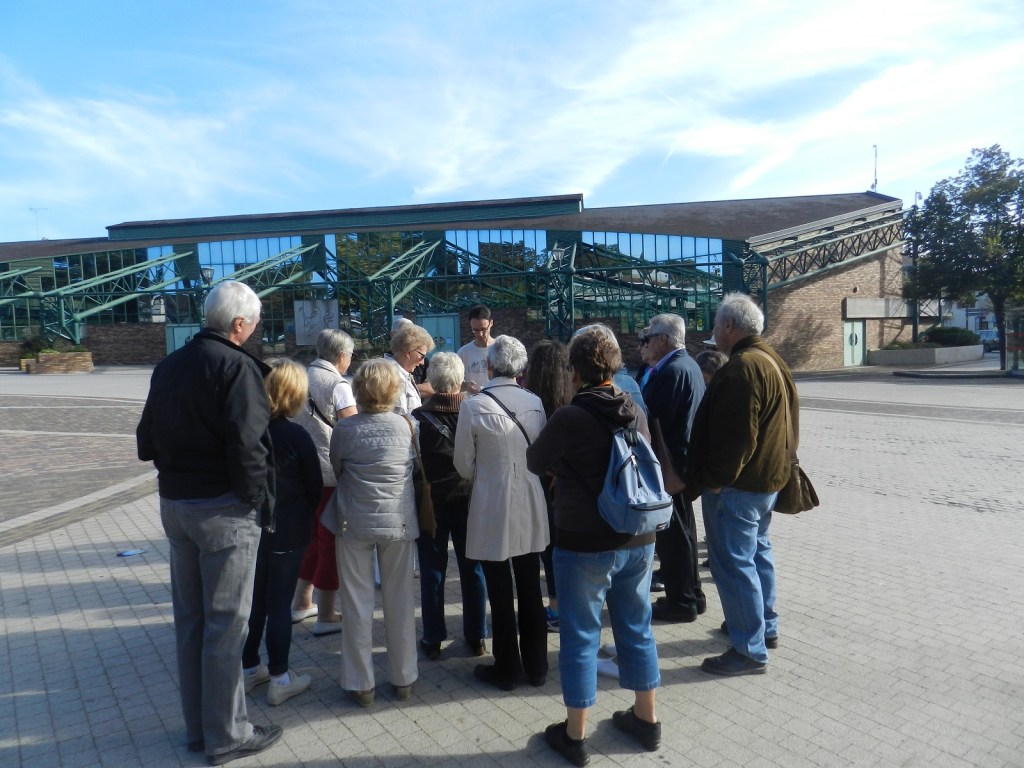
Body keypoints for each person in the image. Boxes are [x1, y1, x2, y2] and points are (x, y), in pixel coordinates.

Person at [136, 280, 282, 765]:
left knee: (193, 621)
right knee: (226, 625)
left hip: (176, 504)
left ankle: (200, 729)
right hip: (224, 509)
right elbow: (250, 449)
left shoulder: (169, 365)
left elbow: (145, 440)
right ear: (239, 325)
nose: (256, 329)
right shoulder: (237, 368)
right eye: (255, 323)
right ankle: (228, 734)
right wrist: (256, 501)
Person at [527, 325, 662, 766]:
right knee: (636, 626)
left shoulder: (569, 416)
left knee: (581, 636)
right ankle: (646, 719)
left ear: (575, 371)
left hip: (585, 541)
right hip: (638, 536)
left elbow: (534, 461)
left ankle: (575, 734)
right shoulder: (634, 409)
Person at [686, 292, 797, 676]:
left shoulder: (742, 368)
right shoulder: (772, 360)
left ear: (730, 326)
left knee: (734, 564)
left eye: (716, 324)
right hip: (766, 481)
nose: (713, 331)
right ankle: (761, 626)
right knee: (757, 554)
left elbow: (738, 438)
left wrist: (715, 481)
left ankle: (748, 649)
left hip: (739, 487)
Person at [453, 335, 549, 691]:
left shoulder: (473, 406)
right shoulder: (535, 402)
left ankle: (506, 667)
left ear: (490, 365)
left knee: (498, 586)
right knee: (529, 584)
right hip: (529, 497)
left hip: (492, 500)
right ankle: (537, 665)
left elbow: (463, 464)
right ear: (521, 369)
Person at [323, 358, 419, 706]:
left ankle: (361, 683)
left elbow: (337, 468)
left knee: (356, 601)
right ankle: (404, 677)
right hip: (398, 519)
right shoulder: (407, 425)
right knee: (400, 600)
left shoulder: (345, 430)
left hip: (354, 521)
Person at [242, 359, 322, 706]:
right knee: (279, 605)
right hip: (287, 530)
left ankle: (248, 668)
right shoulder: (296, 435)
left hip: (253, 528)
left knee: (255, 602)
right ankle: (280, 676)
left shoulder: (250, 430)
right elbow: (315, 487)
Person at [411, 352, 488, 660]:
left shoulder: (416, 419)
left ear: (432, 381)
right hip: (470, 500)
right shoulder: (475, 413)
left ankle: (432, 638)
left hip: (430, 503)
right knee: (474, 568)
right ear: (459, 381)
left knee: (432, 570)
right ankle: (476, 635)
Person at [640, 313, 706, 622]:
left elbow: (653, 416)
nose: (647, 343)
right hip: (681, 463)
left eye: (650, 337)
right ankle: (692, 593)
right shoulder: (686, 365)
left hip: (671, 467)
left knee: (674, 537)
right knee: (684, 532)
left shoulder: (672, 371)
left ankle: (682, 602)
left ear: (664, 339)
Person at [291, 329, 356, 637]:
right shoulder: (338, 385)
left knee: (313, 537)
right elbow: (352, 427)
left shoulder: (301, 377)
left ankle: (302, 600)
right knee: (330, 541)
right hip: (330, 471)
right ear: (341, 356)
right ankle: (327, 613)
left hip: (302, 470)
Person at [524, 339, 575, 632]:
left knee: (550, 548)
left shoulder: (531, 405)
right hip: (570, 490)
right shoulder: (571, 402)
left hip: (542, 485)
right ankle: (565, 606)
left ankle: (556, 609)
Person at [387, 322, 435, 415]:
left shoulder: (403, 374)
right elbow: (399, 418)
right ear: (408, 352)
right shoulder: (392, 377)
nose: (422, 362)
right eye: (422, 356)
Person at [457, 304, 495, 394]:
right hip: (472, 403)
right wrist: (466, 386)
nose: (480, 334)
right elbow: (454, 383)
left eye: (484, 329)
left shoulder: (500, 348)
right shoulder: (463, 352)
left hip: (496, 402)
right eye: (475, 330)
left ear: (491, 323)